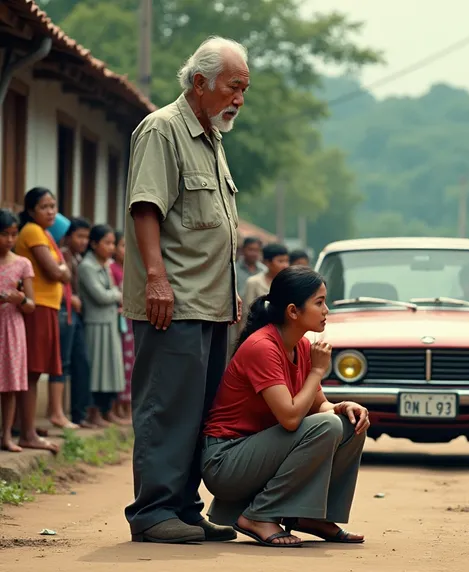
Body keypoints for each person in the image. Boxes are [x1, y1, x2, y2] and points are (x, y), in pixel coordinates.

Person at [122, 36, 247, 544]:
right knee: (166, 405)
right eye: (234, 87)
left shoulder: (211, 137)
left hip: (210, 302)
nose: (240, 98)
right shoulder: (162, 130)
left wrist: (230, 288)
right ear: (200, 83)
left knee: (199, 411)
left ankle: (185, 507)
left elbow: (216, 225)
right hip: (171, 302)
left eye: (244, 89)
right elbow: (146, 207)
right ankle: (153, 512)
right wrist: (155, 277)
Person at [202, 266, 368, 547]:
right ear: (293, 311)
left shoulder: (301, 346)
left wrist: (343, 406)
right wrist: (317, 372)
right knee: (327, 426)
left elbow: (320, 408)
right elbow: (291, 419)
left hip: (258, 454)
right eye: (319, 302)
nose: (326, 310)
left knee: (349, 424)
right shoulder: (263, 347)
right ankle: (259, 515)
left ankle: (312, 515)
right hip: (226, 461)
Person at [15, 188, 72, 452]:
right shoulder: (33, 232)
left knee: (34, 371)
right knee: (32, 371)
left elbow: (67, 273)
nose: (51, 211)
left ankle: (23, 425)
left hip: (47, 306)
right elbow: (55, 270)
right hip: (36, 307)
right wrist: (61, 269)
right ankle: (26, 433)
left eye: (53, 206)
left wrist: (61, 270)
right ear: (30, 211)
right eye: (44, 207)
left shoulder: (46, 233)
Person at [78, 225, 127, 426]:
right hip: (95, 323)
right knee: (96, 370)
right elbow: (101, 295)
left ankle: (106, 410)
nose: (111, 247)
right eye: (107, 243)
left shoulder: (104, 264)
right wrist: (119, 296)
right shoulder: (87, 266)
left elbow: (112, 292)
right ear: (94, 244)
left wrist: (116, 296)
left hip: (109, 322)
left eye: (112, 243)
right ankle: (93, 412)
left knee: (110, 369)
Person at [50, 217, 94, 428]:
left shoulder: (77, 257)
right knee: (64, 362)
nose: (84, 241)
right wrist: (72, 299)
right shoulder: (63, 256)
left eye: (86, 237)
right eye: (79, 236)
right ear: (67, 236)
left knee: (81, 362)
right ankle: (61, 412)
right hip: (64, 311)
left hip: (74, 314)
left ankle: (78, 413)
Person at [0, 209, 36, 452]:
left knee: (10, 385)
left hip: (12, 326)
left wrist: (20, 299)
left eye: (14, 234)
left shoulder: (22, 263)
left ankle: (6, 436)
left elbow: (32, 305)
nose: (10, 240)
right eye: (5, 234)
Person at [110, 231, 133, 423]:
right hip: (118, 321)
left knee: (131, 363)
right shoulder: (112, 269)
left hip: (131, 322)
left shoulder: (132, 268)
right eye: (122, 246)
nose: (126, 250)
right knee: (119, 363)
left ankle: (128, 407)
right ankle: (117, 407)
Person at [243, 243, 290, 309]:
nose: (285, 265)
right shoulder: (253, 282)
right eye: (280, 261)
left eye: (287, 261)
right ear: (267, 262)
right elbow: (247, 311)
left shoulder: (289, 282)